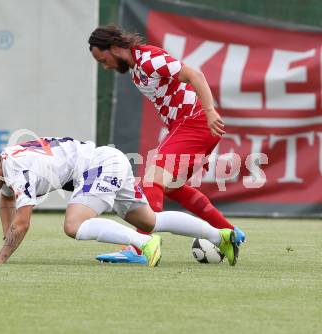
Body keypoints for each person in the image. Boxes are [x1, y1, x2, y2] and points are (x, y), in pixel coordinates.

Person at [88, 25, 246, 264]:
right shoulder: (136, 67)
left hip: (195, 122)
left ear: (115, 48)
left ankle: (139, 249)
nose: (105, 66)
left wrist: (209, 111)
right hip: (189, 125)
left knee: (151, 181)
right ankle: (230, 233)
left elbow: (195, 75)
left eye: (103, 59)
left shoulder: (149, 59)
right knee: (172, 187)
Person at [0, 137, 239, 266]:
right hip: (108, 159)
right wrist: (5, 240)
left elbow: (22, 224)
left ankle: (143, 243)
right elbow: (6, 203)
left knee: (73, 225)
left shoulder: (18, 171)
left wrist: (0, 258)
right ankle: (221, 236)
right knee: (149, 220)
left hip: (99, 165)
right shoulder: (7, 160)